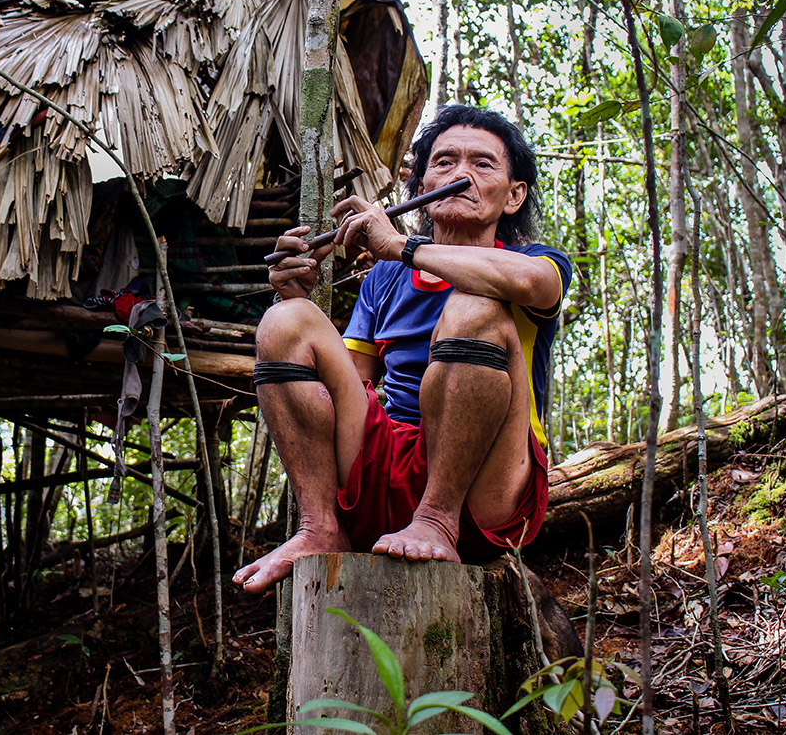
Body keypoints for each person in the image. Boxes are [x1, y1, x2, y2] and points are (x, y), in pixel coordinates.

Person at [232, 105, 572, 594]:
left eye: (482, 164)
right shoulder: (388, 277)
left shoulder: (535, 262)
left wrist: (398, 246)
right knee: (286, 322)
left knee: (475, 302)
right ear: (421, 186)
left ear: (514, 195)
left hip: (486, 493)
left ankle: (437, 518)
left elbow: (530, 283)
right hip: (385, 474)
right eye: (444, 162)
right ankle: (319, 526)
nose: (460, 174)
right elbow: (342, 384)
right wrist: (293, 294)